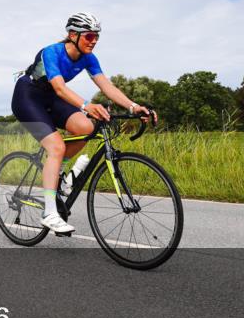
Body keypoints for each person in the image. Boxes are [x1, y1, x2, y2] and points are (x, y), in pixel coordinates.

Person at [11, 12, 155, 235]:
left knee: (87, 128)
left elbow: (106, 86)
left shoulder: (89, 58)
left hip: (51, 99)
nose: (94, 41)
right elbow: (59, 88)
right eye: (89, 36)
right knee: (56, 147)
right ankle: (49, 213)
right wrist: (86, 105)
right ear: (73, 35)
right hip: (27, 97)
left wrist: (133, 106)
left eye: (96, 36)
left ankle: (60, 174)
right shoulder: (52, 52)